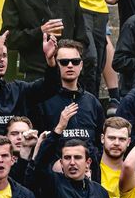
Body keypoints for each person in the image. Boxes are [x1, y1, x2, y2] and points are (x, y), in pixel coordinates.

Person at [0, 32, 58, 139]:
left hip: (14, 153)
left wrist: (51, 62)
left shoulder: (18, 89)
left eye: (4, 55)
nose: (1, 60)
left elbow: (50, 87)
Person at [31, 40, 105, 171]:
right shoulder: (43, 100)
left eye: (75, 61)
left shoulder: (92, 102)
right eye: (64, 62)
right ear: (55, 64)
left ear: (81, 65)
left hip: (90, 176)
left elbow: (100, 141)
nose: (70, 65)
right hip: (55, 177)